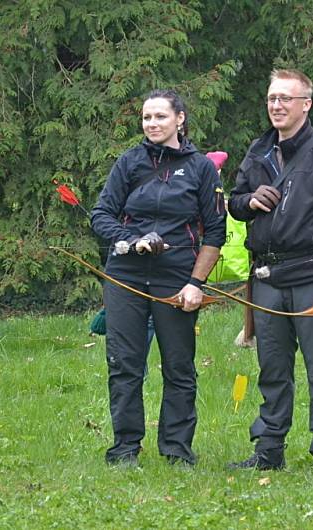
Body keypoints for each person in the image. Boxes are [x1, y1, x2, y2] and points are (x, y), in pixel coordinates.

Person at [227, 69, 313, 477]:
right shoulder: (257, 151)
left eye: (286, 98)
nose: (277, 105)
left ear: (306, 104)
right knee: (272, 369)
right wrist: (249, 201)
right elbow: (233, 203)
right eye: (272, 98)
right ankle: (269, 450)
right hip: (266, 278)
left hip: (312, 278)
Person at [90, 89, 226, 467]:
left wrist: (195, 284)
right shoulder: (129, 162)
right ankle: (124, 448)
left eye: (160, 117)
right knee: (124, 363)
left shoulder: (201, 168)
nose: (152, 124)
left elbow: (215, 233)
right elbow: (101, 215)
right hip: (126, 276)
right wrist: (130, 241)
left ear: (179, 119)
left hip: (177, 278)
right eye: (147, 118)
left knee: (178, 365)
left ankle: (177, 449)